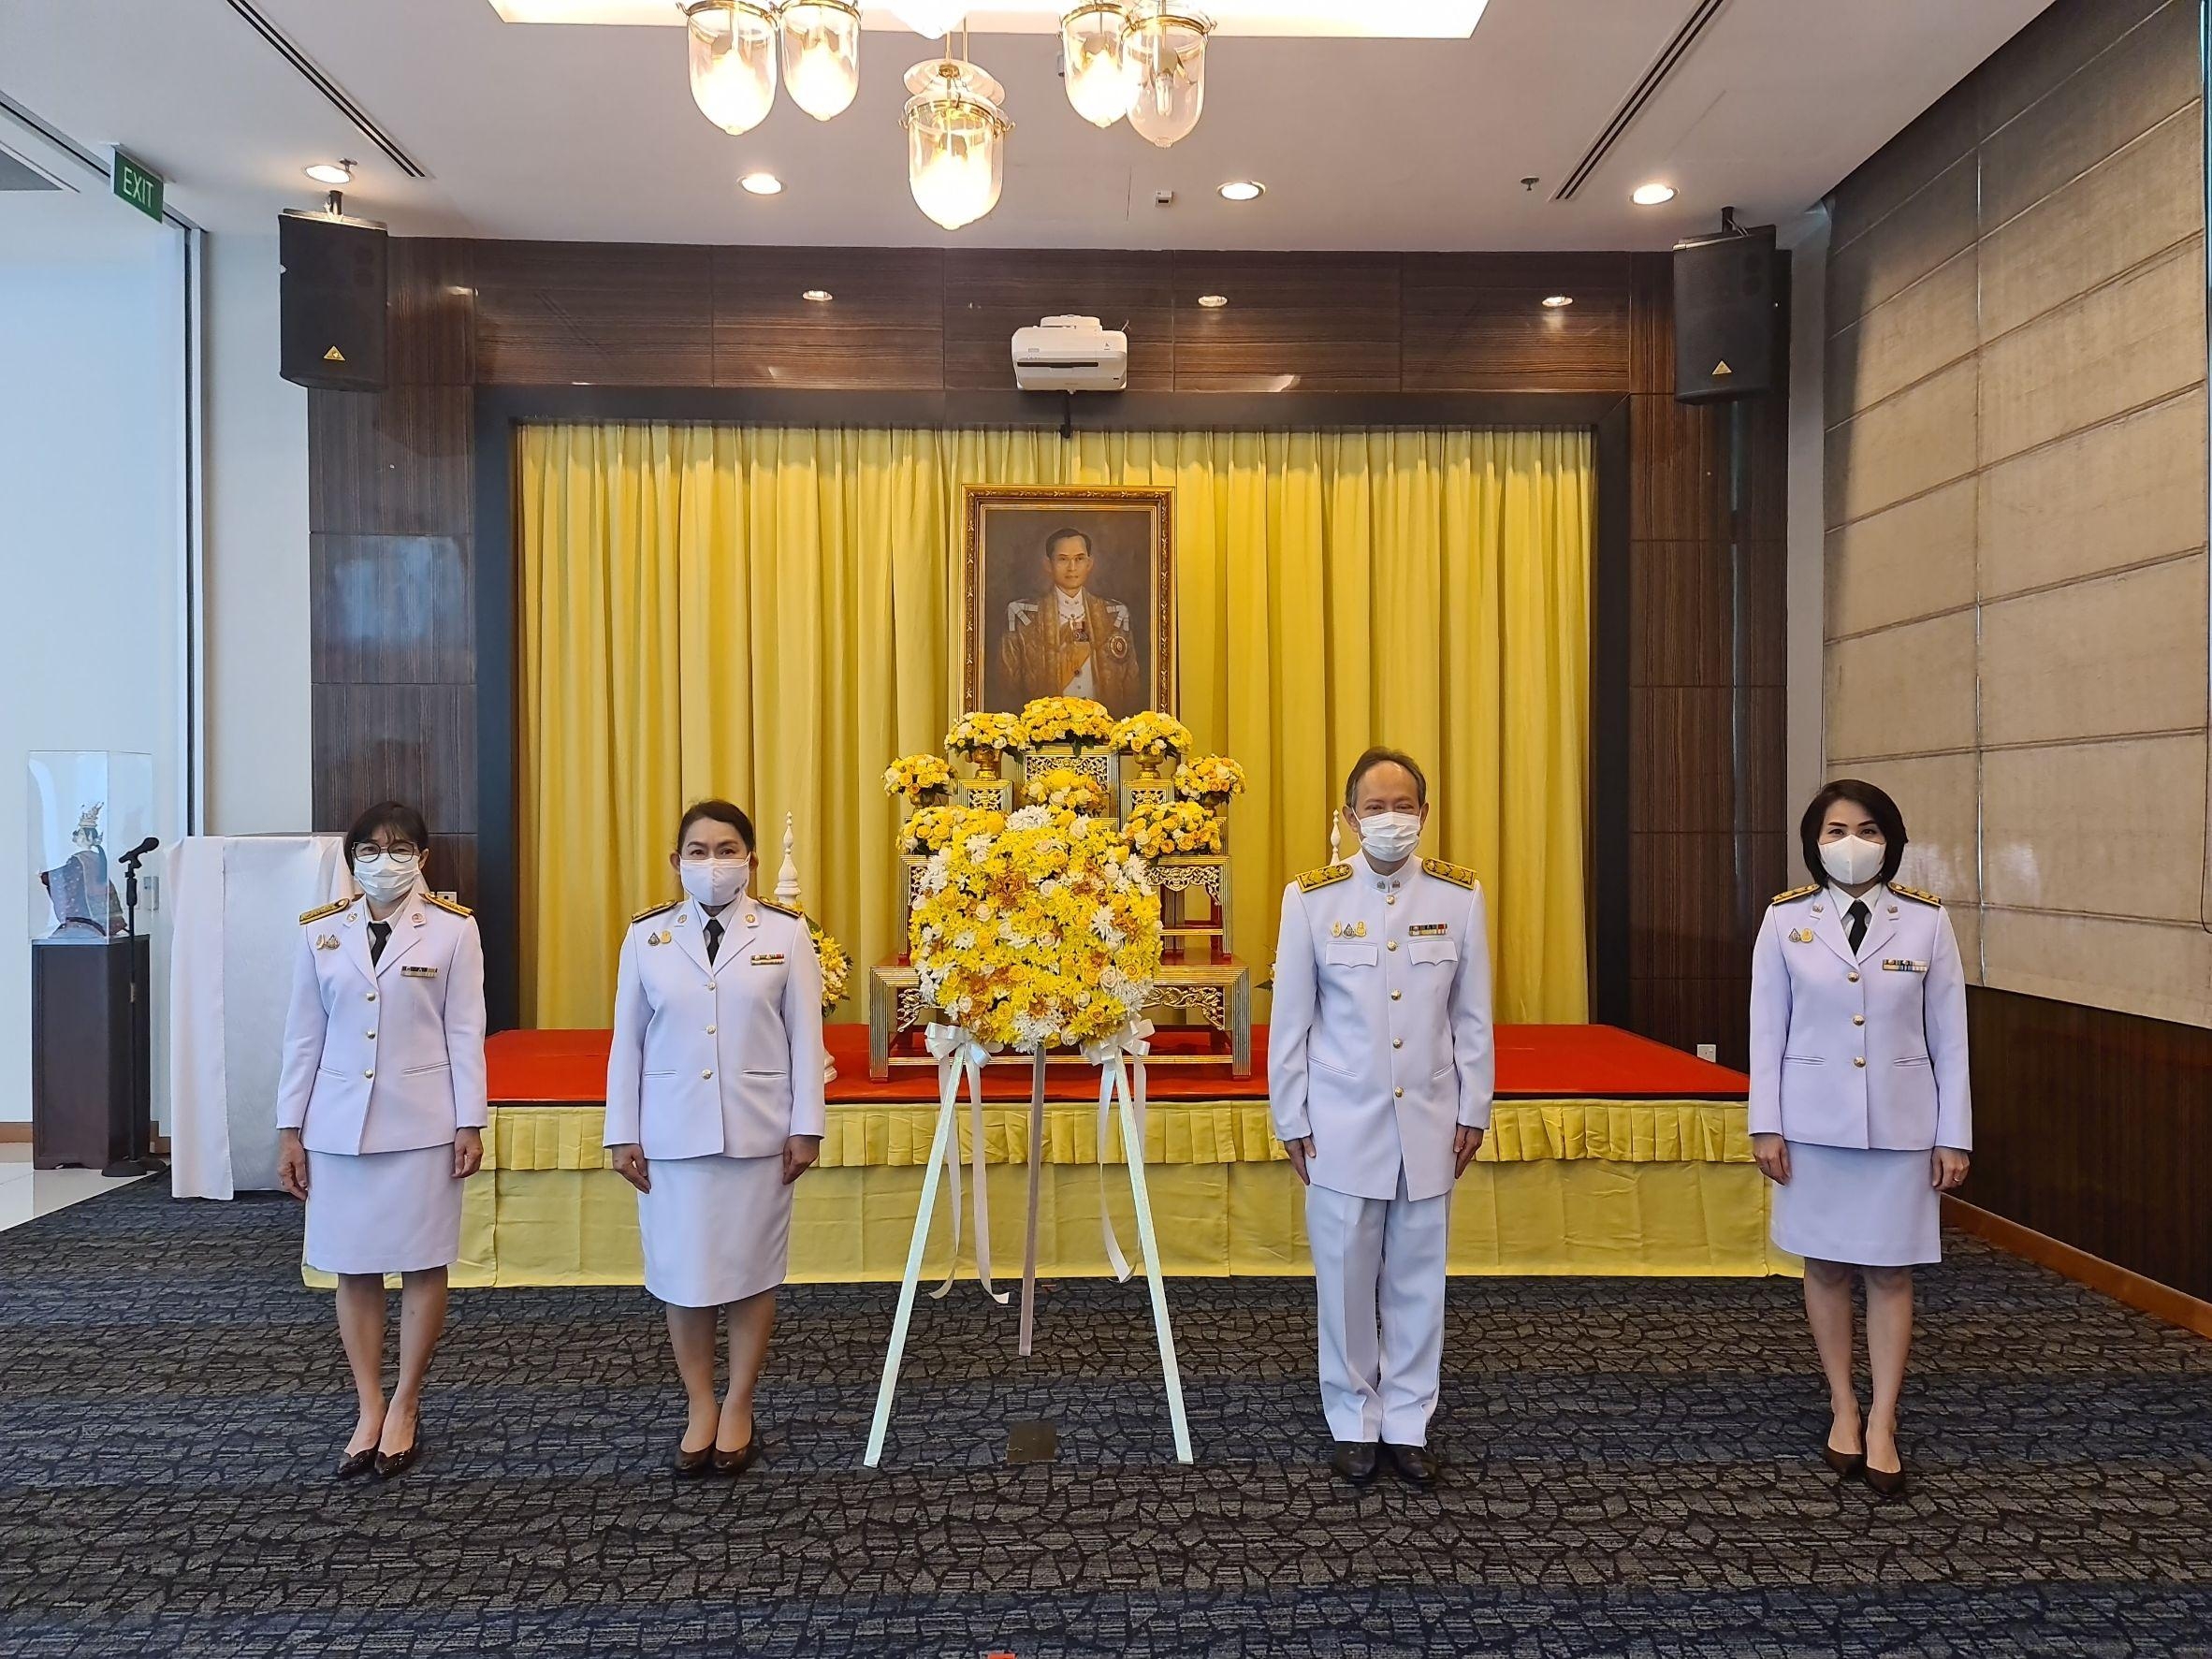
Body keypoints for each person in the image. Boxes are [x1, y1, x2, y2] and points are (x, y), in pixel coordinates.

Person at [1269, 747, 1493, 1487]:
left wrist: (1475, 1106)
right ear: (1349, 817)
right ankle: (1352, 1417)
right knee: (1345, 1276)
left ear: (1424, 814)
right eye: (1375, 807)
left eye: (1403, 806)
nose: (1390, 819)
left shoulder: (1459, 897)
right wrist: (1291, 1117)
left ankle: (1408, 1419)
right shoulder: (1312, 899)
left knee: (1419, 1280)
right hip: (1341, 1123)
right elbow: (1291, 1020)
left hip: (1431, 1121)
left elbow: (1472, 1017)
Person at [1750, 779, 1971, 1499]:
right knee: (1824, 1267)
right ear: (1814, 842)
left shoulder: (1926, 921)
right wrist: (1765, 1124)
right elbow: (1767, 1031)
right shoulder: (1785, 920)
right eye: (1837, 829)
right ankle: (1843, 1403)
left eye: (1869, 829)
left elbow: (1951, 1038)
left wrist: (1954, 1135)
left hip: (1903, 1126)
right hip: (1813, 1126)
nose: (1853, 843)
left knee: (1892, 1272)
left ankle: (1883, 1418)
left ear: (1891, 841)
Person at [604, 799, 826, 1476]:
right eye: (698, 851)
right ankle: (700, 1402)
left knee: (752, 1275)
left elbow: (804, 1036)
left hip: (758, 1133)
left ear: (751, 860)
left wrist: (806, 1127)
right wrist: (621, 1131)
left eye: (726, 850)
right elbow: (627, 1043)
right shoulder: (646, 937)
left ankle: (739, 1402)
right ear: (676, 861)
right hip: (671, 1136)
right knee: (684, 1277)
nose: (712, 863)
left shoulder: (786, 932)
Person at [275, 801, 486, 1481]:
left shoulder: (453, 930)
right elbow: (302, 1037)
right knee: (354, 1266)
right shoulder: (321, 931)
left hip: (423, 1123)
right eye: (368, 849)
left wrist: (470, 1120)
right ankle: (368, 1405)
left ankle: (406, 1402)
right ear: (352, 858)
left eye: (398, 849)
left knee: (423, 1263)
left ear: (422, 858)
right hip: (339, 1125)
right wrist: (289, 1128)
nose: (382, 861)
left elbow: (465, 1032)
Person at [997, 527, 1142, 715]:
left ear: (1090, 563)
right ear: (1048, 564)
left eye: (1079, 559)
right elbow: (1008, 689)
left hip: (1106, 730)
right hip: (1044, 730)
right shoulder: (1022, 617)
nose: (1072, 568)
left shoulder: (1115, 615)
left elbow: (1131, 688)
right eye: (1063, 559)